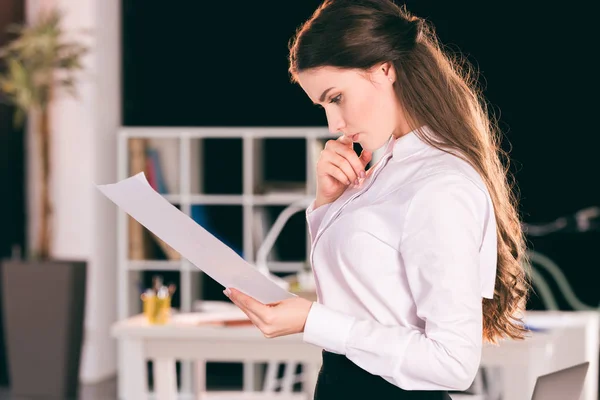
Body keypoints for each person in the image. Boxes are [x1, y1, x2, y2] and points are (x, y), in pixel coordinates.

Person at [223, 0, 530, 398]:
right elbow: (358, 292)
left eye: (336, 98)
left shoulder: (440, 185)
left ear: (384, 70)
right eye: (323, 106)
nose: (334, 124)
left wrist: (313, 320)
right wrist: (327, 203)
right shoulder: (380, 166)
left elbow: (453, 364)